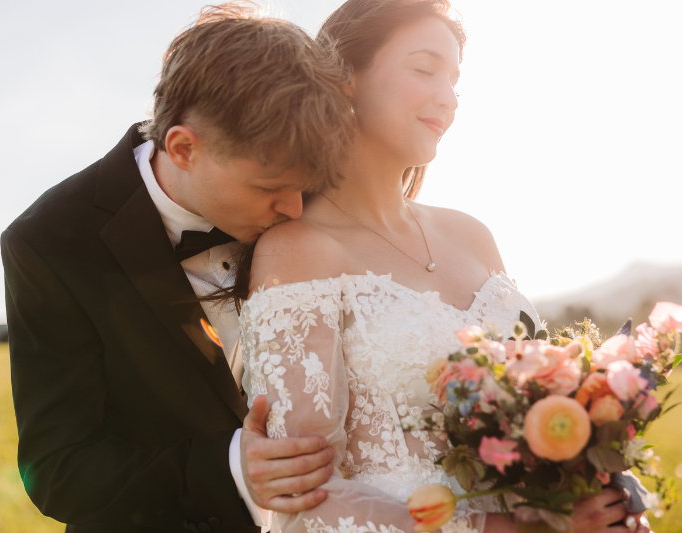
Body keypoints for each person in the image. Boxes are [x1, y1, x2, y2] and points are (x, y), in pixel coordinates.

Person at [238, 1, 653, 533]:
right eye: (424, 69)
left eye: (455, 81)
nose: (449, 98)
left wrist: (598, 493)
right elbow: (306, 498)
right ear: (345, 76)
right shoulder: (297, 251)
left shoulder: (472, 234)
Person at [1, 4, 352, 532]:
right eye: (270, 188)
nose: (296, 209)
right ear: (184, 148)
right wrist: (230, 467)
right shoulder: (49, 243)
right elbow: (59, 471)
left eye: (303, 188)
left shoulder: (301, 182)